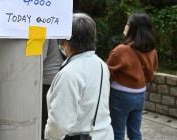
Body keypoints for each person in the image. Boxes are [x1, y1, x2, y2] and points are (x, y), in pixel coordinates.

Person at [44, 13, 114, 140]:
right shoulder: (101, 64)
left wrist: (49, 137)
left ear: (67, 41)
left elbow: (59, 123)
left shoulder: (69, 73)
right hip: (103, 134)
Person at [106, 12, 158, 140]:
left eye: (128, 24)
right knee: (135, 132)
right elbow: (151, 74)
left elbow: (106, 72)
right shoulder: (152, 50)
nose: (125, 26)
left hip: (120, 95)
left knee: (117, 132)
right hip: (140, 94)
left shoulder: (121, 50)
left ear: (133, 28)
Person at [41, 39, 64, 139]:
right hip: (59, 76)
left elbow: (40, 56)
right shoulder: (62, 28)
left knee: (44, 118)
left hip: (46, 79)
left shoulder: (46, 28)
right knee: (53, 116)